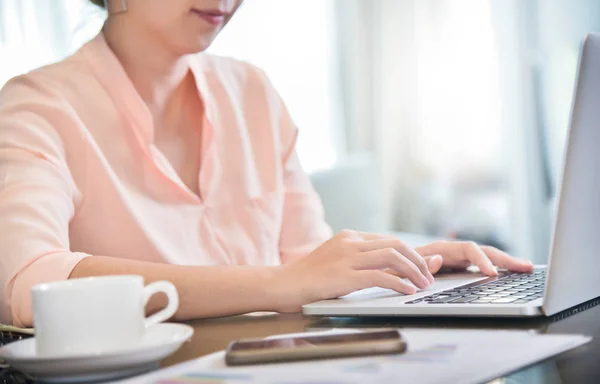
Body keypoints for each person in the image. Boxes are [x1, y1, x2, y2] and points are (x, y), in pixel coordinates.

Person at [0, 0, 533, 328]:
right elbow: (25, 281)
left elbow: (305, 262)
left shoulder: (252, 91)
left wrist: (408, 263)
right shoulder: (37, 107)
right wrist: (279, 283)